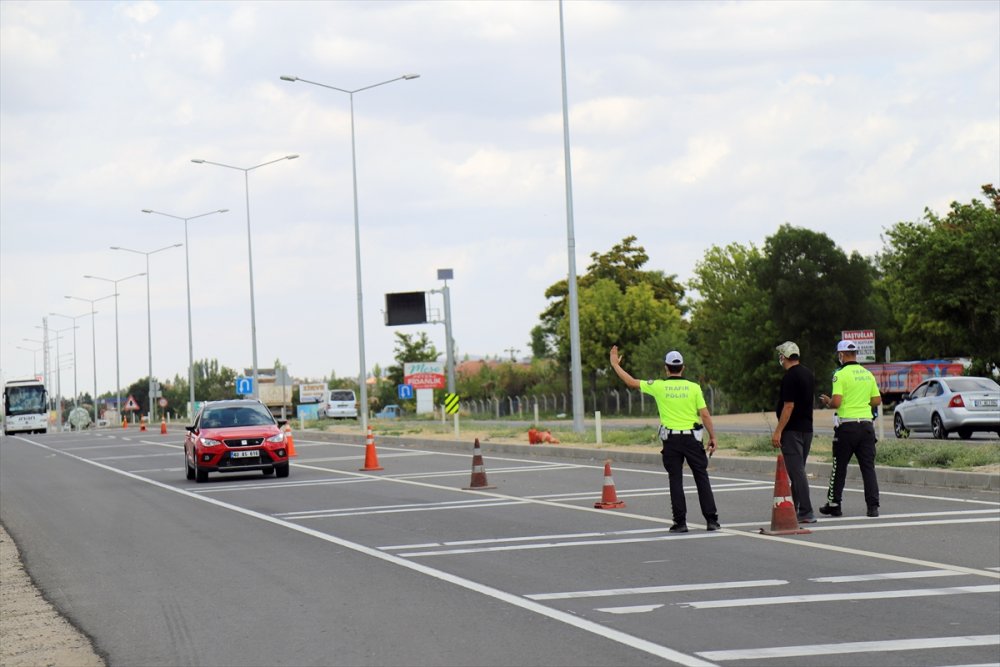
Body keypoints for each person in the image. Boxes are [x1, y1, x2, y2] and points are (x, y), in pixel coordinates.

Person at [609, 346, 720, 533]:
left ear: (666, 368)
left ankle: (680, 522)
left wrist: (614, 364)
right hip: (693, 439)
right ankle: (712, 521)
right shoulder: (694, 387)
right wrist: (713, 436)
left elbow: (631, 382)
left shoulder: (659, 386)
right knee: (701, 478)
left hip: (671, 440)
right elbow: (705, 415)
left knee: (675, 479)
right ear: (682, 367)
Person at [819, 339, 882, 518]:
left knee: (839, 467)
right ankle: (873, 507)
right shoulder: (867, 374)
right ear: (855, 354)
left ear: (842, 355)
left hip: (847, 427)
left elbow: (837, 402)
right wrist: (862, 403)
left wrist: (828, 402)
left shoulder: (840, 374)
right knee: (868, 467)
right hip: (866, 426)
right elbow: (876, 400)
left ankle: (834, 504)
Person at [771, 341, 817, 524]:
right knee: (799, 471)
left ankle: (806, 511)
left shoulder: (789, 377)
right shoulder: (808, 374)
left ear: (784, 356)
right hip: (807, 429)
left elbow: (788, 406)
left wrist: (778, 431)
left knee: (797, 472)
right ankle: (795, 506)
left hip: (792, 431)